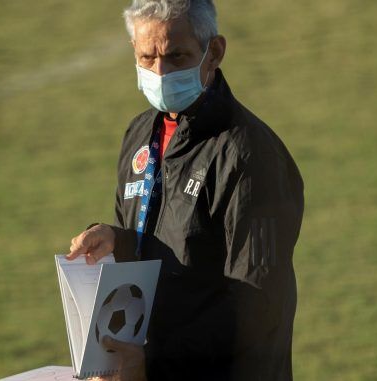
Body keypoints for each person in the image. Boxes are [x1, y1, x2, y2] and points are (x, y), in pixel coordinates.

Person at [66, 1, 304, 380]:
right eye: (147, 57)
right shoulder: (140, 135)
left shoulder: (249, 154)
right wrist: (117, 239)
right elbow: (175, 247)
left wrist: (154, 363)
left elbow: (258, 302)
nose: (160, 72)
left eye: (177, 56)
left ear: (215, 52)